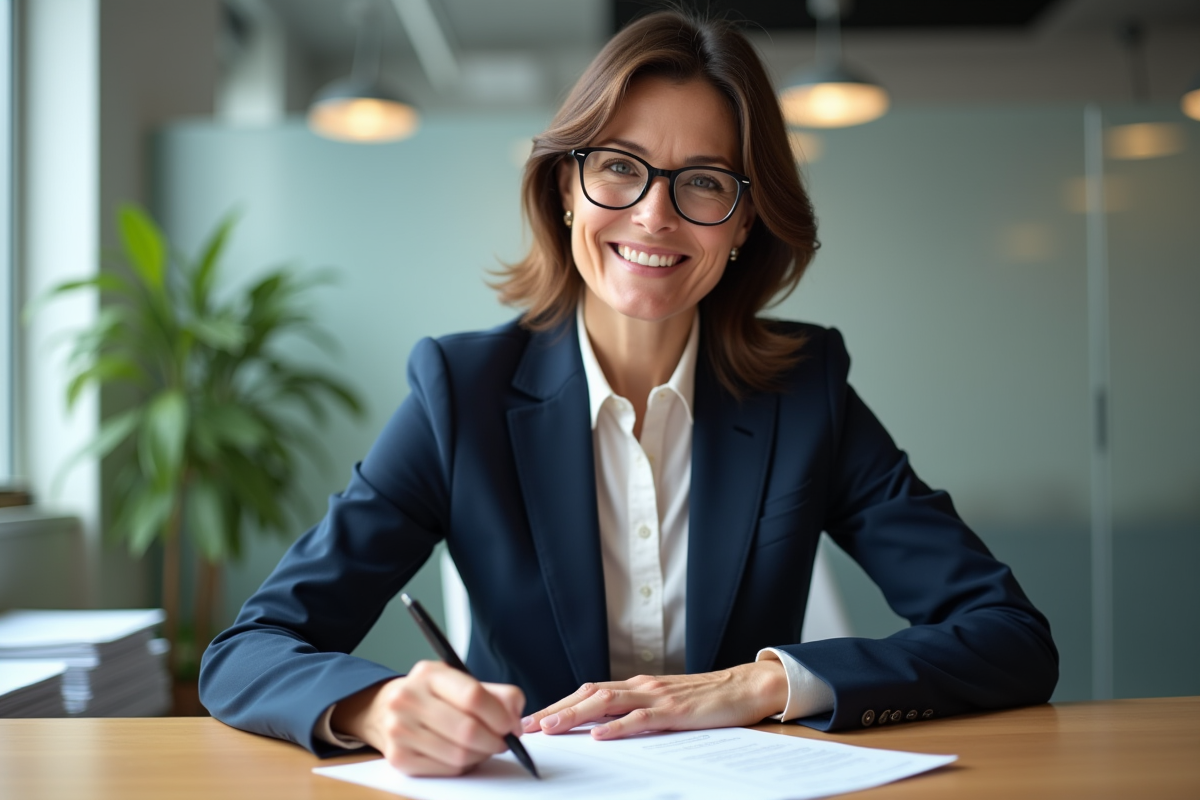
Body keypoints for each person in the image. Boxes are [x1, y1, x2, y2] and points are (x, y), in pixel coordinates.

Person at [199, 9, 1057, 778]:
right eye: (619, 167)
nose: (654, 216)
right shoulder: (460, 393)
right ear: (567, 188)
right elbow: (249, 651)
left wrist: (763, 683)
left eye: (705, 182)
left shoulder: (805, 391)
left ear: (745, 221)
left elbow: (1009, 636)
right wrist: (376, 709)